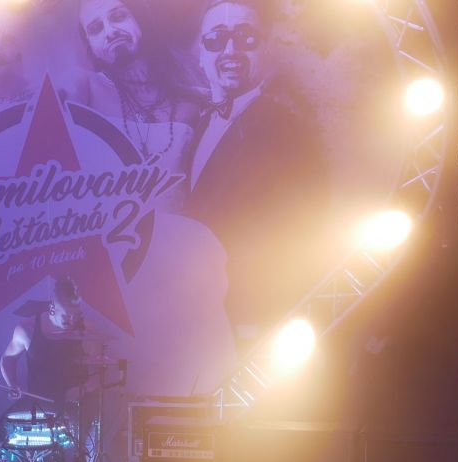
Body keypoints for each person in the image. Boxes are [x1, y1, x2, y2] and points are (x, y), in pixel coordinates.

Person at [184, 0, 327, 346]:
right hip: (198, 318)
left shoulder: (289, 130)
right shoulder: (194, 126)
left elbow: (301, 233)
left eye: (245, 38)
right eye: (216, 39)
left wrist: (257, 319)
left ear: (265, 49)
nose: (230, 50)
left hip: (253, 321)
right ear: (200, 53)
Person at [76, 0, 199, 187]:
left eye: (118, 17)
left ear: (140, 18)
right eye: (95, 29)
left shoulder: (191, 99)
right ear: (90, 45)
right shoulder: (85, 87)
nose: (110, 32)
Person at [0, 275, 88, 409]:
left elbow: (103, 370)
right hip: (38, 405)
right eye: (66, 316)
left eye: (75, 316)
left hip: (76, 406)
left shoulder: (86, 331)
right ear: (52, 308)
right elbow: (8, 359)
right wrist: (12, 384)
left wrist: (84, 388)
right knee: (4, 421)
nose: (72, 321)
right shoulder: (27, 329)